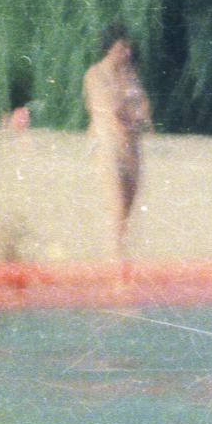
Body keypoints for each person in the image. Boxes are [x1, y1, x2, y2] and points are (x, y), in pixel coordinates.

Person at [82, 24, 152, 258]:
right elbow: (111, 111)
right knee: (116, 208)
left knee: (127, 211)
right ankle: (113, 264)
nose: (128, 52)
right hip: (106, 144)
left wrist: (137, 116)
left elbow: (145, 109)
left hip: (131, 145)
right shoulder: (95, 74)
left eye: (129, 47)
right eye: (123, 47)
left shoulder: (130, 75)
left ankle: (118, 259)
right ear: (110, 48)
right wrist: (134, 116)